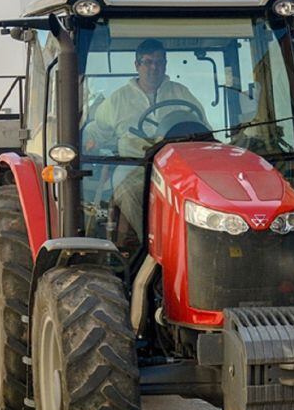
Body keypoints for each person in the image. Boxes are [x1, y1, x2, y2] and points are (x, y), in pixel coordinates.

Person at [84, 38, 208, 252]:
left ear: (165, 65)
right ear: (137, 65)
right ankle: (154, 249)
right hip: (136, 164)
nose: (154, 68)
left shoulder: (180, 93)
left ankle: (199, 244)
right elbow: (97, 132)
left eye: (159, 62)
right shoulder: (118, 100)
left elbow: (203, 127)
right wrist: (88, 143)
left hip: (178, 164)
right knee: (128, 192)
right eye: (148, 62)